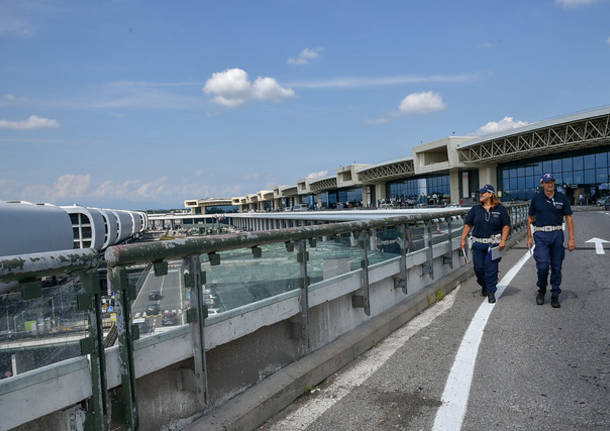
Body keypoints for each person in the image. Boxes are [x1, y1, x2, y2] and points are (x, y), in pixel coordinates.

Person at [527, 172, 575, 308]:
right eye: (547, 182)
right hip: (541, 235)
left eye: (552, 182)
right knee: (542, 265)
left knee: (556, 267)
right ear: (542, 184)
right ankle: (541, 290)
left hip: (557, 234)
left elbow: (569, 218)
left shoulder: (562, 198)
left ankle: (555, 294)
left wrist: (571, 239)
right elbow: (530, 219)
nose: (550, 184)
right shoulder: (536, 199)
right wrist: (529, 237)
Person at [460, 184, 511, 303]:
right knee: (479, 269)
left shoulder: (500, 209)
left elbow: (506, 226)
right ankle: (484, 285)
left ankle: (491, 291)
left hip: (494, 245)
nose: (480, 195)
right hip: (478, 244)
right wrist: (463, 239)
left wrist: (503, 240)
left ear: (490, 194)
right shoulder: (475, 209)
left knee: (491, 269)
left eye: (483, 193)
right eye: (480, 193)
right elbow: (468, 225)